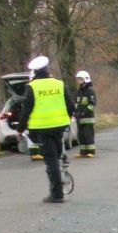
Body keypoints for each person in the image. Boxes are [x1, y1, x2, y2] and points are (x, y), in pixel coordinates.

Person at [19, 56, 75, 203]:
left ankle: (57, 194)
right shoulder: (59, 84)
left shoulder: (32, 87)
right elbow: (70, 106)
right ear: (47, 69)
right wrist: (66, 119)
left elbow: (26, 110)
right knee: (55, 158)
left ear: (34, 72)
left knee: (51, 162)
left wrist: (20, 128)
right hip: (60, 127)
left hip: (42, 129)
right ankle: (58, 190)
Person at [73, 70, 97, 157]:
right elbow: (75, 103)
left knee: (88, 135)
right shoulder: (78, 92)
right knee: (81, 135)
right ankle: (83, 151)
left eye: (80, 79)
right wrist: (75, 113)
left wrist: (84, 112)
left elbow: (92, 104)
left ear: (86, 79)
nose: (79, 80)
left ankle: (91, 151)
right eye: (78, 79)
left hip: (88, 118)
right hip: (79, 119)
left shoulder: (90, 91)